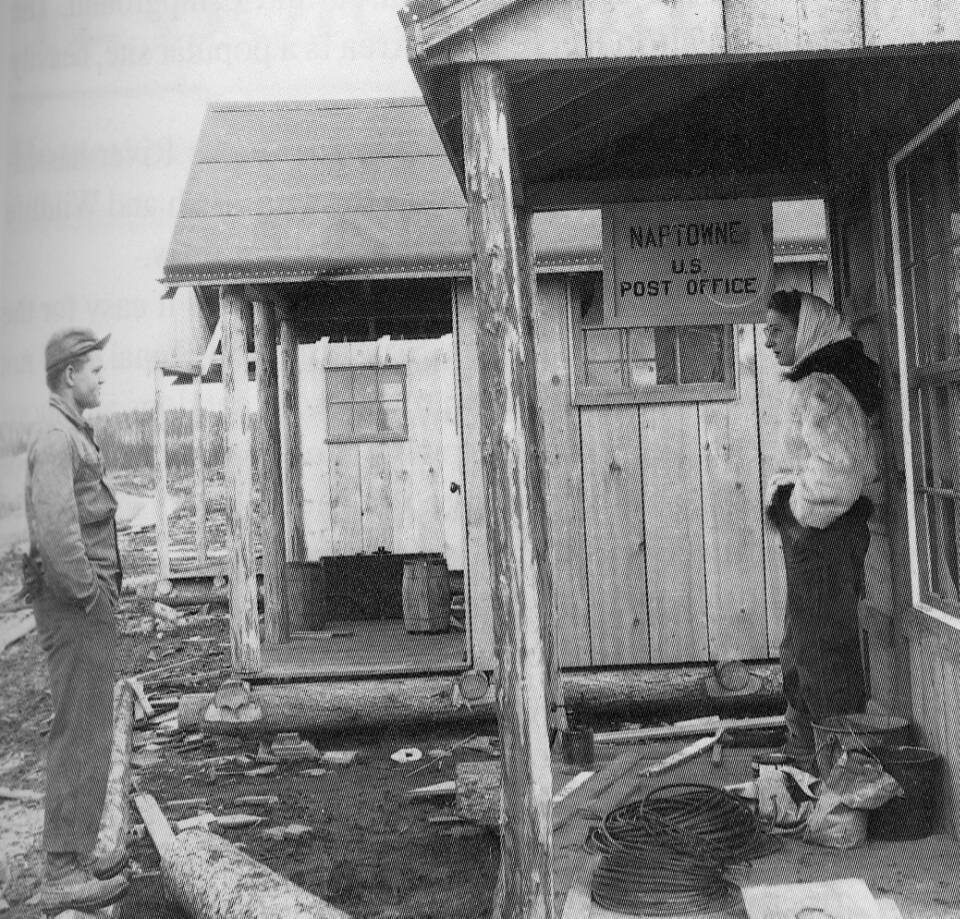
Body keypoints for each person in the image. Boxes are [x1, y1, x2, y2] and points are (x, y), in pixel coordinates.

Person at [24, 328, 129, 913]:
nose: (102, 377)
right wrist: (91, 597)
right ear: (69, 375)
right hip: (74, 608)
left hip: (82, 605)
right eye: (94, 369)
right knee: (77, 732)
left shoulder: (72, 432)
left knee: (91, 730)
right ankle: (61, 871)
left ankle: (79, 854)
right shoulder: (54, 436)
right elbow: (59, 534)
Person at [762, 290, 882, 774]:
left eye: (778, 330)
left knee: (823, 651)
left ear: (805, 329)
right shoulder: (818, 381)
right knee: (804, 645)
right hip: (819, 536)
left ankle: (838, 769)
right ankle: (809, 758)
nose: (769, 341)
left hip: (824, 537)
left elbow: (841, 470)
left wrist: (796, 512)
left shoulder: (824, 387)